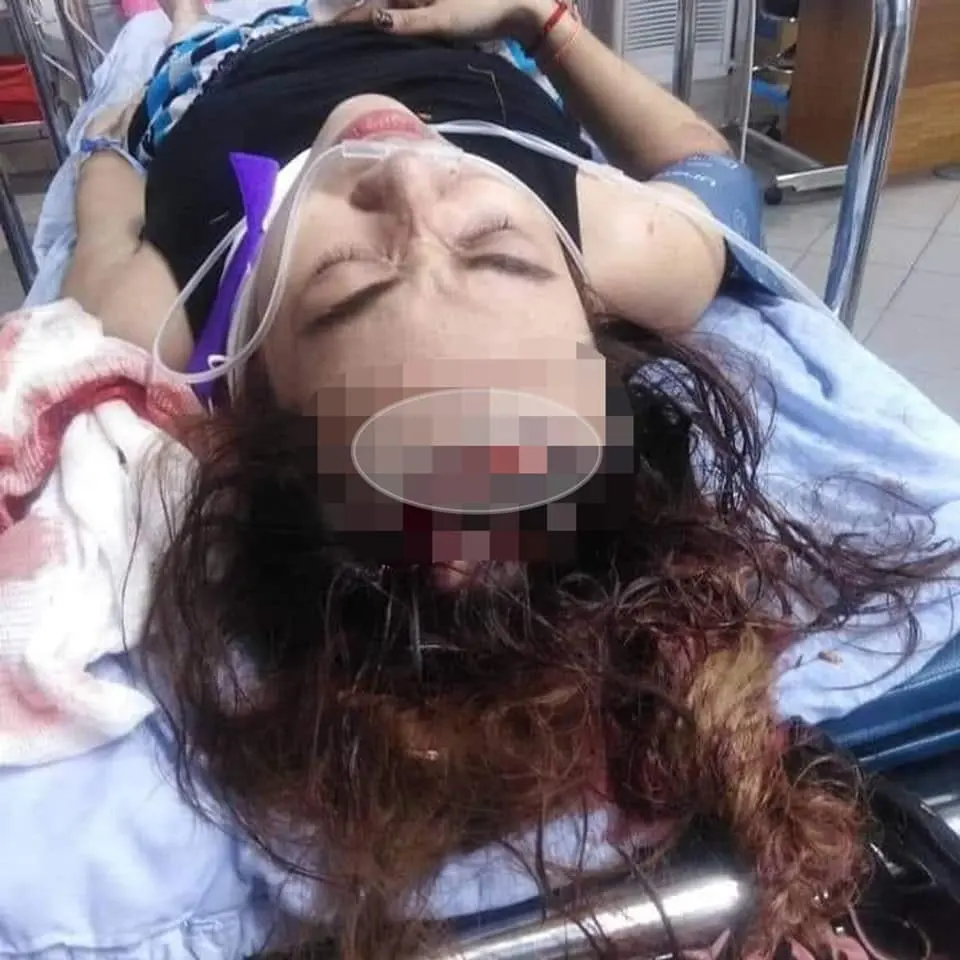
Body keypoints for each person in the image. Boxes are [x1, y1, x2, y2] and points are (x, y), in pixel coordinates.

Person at [46, 1, 958, 958]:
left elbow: (105, 222)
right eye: (498, 250)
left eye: (349, 276)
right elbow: (711, 173)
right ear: (592, 310)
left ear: (250, 382)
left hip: (222, 58)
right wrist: (544, 22)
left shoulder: (175, 321)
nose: (410, 172)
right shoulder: (598, 231)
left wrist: (112, 125)